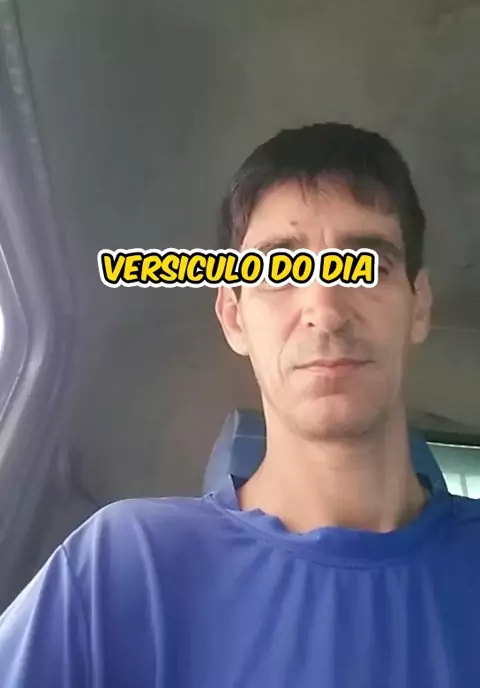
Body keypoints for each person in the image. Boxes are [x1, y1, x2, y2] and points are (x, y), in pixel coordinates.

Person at [0, 122, 479, 687]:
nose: (326, 311)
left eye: (367, 263)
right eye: (278, 271)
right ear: (233, 317)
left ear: (418, 306)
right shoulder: (120, 569)